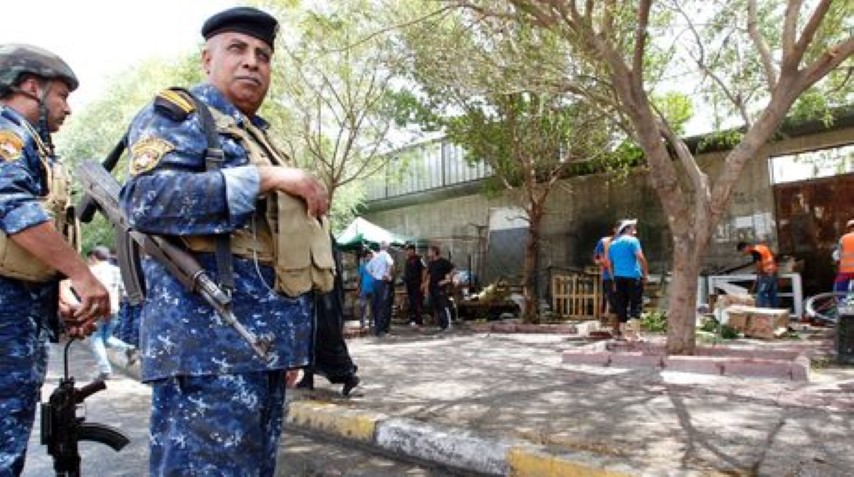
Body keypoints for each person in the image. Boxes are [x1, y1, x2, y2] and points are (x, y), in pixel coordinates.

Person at [118, 7, 334, 476]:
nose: (252, 61)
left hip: (258, 349)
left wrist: (285, 347)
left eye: (263, 55)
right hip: (206, 351)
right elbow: (146, 200)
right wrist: (265, 178)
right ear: (207, 59)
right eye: (238, 49)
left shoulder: (256, 135)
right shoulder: (181, 117)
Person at [0, 44, 110, 476]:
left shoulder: (33, 145)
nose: (67, 108)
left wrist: (59, 295)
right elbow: (12, 209)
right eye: (62, 95)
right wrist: (82, 275)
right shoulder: (7, 135)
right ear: (32, 87)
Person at [296, 239, 360, 397]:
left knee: (325, 338)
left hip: (323, 296)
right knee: (310, 338)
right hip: (318, 295)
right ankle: (308, 377)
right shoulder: (322, 237)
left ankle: (348, 375)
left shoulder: (322, 239)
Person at [85, 246, 138, 381]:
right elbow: (122, 291)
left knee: (95, 339)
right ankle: (129, 348)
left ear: (93, 257)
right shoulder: (116, 271)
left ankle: (105, 370)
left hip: (96, 310)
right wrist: (115, 305)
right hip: (113, 309)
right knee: (106, 338)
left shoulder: (91, 271)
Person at [607, 219, 648, 341]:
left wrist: (613, 278)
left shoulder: (613, 244)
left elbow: (610, 264)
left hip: (619, 277)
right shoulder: (633, 241)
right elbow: (640, 257)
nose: (634, 230)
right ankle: (635, 334)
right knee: (636, 304)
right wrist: (645, 273)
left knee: (621, 304)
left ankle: (623, 334)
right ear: (627, 229)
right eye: (632, 227)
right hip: (633, 276)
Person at [593, 222, 619, 336]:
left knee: (623, 302)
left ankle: (621, 328)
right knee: (613, 301)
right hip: (609, 276)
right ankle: (615, 329)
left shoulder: (629, 241)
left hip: (625, 275)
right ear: (614, 229)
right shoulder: (604, 241)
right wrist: (602, 262)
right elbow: (596, 258)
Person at [423, 245, 456, 331]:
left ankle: (448, 324)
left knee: (443, 305)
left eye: (429, 251)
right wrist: (426, 286)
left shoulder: (443, 262)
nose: (428, 253)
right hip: (432, 287)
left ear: (434, 252)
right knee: (437, 306)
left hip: (440, 287)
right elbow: (429, 276)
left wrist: (446, 280)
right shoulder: (431, 263)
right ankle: (441, 325)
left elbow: (453, 270)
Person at [737, 240, 778, 307]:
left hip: (766, 274)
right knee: (772, 294)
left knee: (761, 293)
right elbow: (774, 255)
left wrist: (759, 275)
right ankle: (775, 311)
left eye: (743, 251)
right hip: (773, 272)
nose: (744, 253)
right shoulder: (762, 247)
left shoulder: (755, 251)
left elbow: (758, 264)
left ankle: (761, 311)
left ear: (746, 247)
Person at [366, 241, 394, 337]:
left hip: (375, 282)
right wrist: (387, 274)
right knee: (383, 306)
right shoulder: (386, 255)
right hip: (383, 282)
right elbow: (390, 263)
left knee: (376, 306)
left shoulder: (375, 257)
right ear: (387, 247)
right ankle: (381, 330)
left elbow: (368, 268)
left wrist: (374, 275)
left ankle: (377, 329)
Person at [403, 244, 425, 326]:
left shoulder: (419, 259)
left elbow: (424, 270)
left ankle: (419, 320)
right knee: (411, 302)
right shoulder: (408, 259)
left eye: (408, 250)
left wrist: (423, 283)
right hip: (409, 284)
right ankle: (413, 319)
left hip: (417, 284)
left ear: (412, 250)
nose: (407, 252)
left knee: (417, 302)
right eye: (406, 250)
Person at [832, 219, 854, 293]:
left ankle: (840, 298)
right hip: (846, 272)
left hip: (845, 272)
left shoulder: (844, 238)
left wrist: (838, 262)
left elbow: (836, 254)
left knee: (839, 290)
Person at [357, 249, 375, 329]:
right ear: (365, 257)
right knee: (362, 306)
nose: (369, 258)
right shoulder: (363, 266)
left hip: (373, 289)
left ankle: (371, 322)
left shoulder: (375, 266)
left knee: (372, 307)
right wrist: (358, 287)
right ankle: (362, 322)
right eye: (368, 256)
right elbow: (359, 277)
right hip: (364, 289)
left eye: (371, 256)